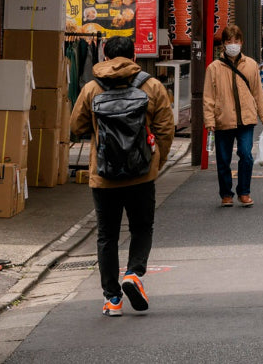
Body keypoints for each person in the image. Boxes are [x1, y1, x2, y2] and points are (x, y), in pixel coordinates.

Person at [70, 34, 174, 317]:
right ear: (134, 57)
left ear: (104, 57)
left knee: (107, 236)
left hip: (104, 176)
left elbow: (76, 126)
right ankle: (134, 273)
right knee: (141, 228)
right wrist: (155, 162)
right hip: (141, 175)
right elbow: (166, 130)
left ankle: (113, 299)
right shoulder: (151, 86)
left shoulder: (92, 88)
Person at [203, 24, 263, 208]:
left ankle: (244, 192)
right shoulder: (214, 68)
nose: (233, 44)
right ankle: (226, 194)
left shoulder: (250, 65)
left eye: (236, 41)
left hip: (246, 118)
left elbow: (258, 92)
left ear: (241, 42)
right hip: (223, 118)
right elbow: (208, 97)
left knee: (246, 155)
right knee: (223, 159)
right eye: (228, 41)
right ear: (223, 44)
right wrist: (209, 120)